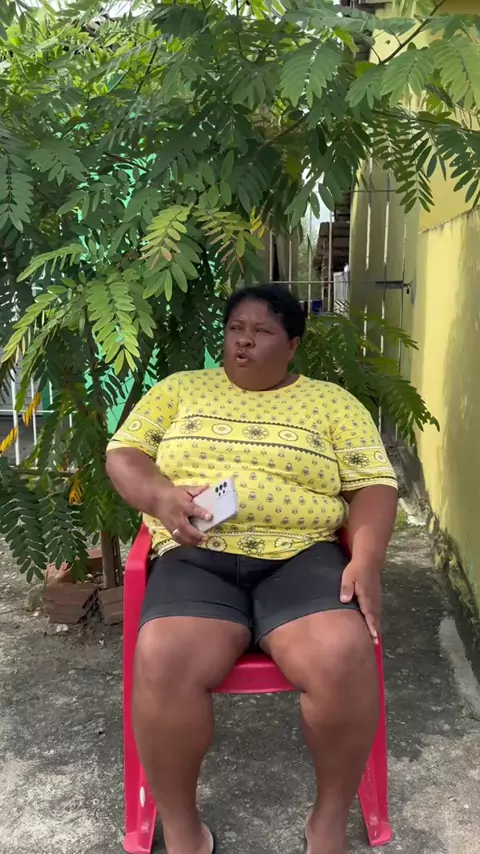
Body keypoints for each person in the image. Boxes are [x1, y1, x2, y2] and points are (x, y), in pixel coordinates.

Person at [106, 284, 398, 854]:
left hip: (302, 556)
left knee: (342, 654)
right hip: (196, 553)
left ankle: (328, 823)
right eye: (236, 329)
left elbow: (373, 484)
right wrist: (161, 497)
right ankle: (184, 831)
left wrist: (366, 559)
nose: (243, 341)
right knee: (164, 655)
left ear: (293, 344)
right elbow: (125, 453)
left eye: (261, 331)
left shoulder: (333, 403)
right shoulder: (180, 390)